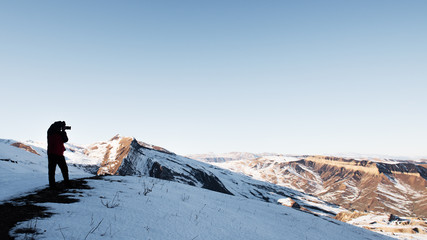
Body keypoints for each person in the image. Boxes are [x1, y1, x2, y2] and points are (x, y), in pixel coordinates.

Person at [47, 121, 70, 189]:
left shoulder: (58, 132)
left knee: (62, 170)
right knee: (53, 170)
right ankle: (53, 185)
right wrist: (62, 128)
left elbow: (65, 140)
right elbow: (65, 139)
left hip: (58, 153)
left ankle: (55, 185)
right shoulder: (51, 131)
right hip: (53, 153)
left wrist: (63, 130)